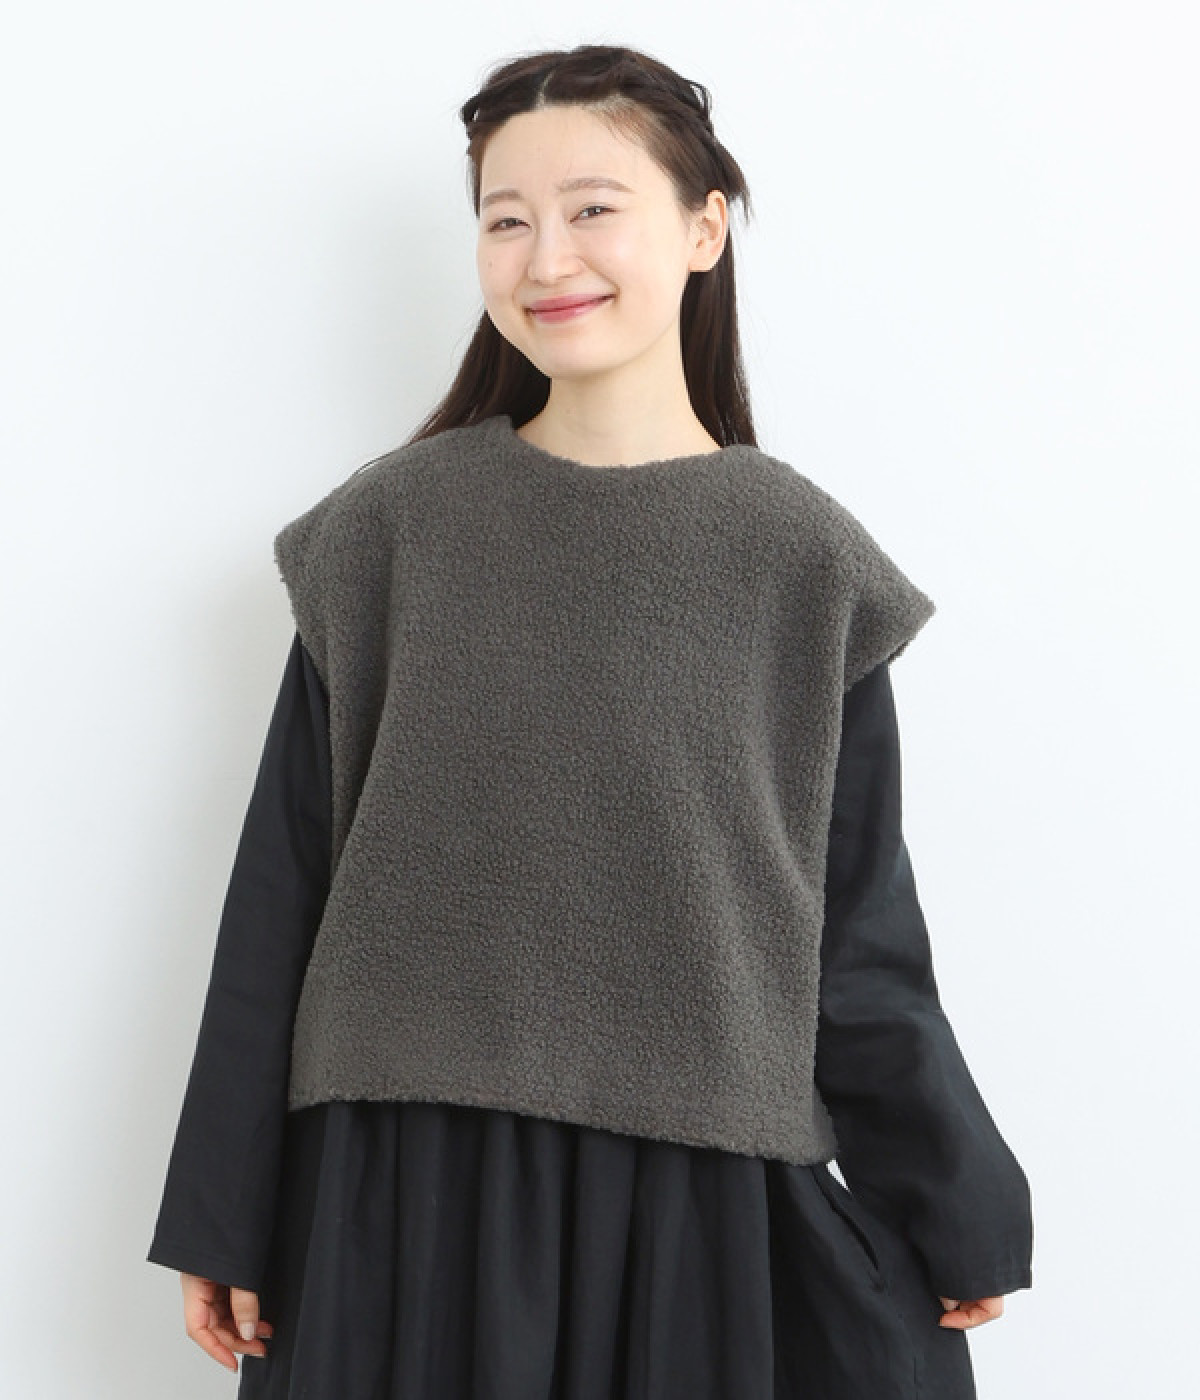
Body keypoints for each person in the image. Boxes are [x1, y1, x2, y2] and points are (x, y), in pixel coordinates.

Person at [148, 42, 1033, 1399]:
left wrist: (952, 1197)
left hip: (695, 1210)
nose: (545, 256)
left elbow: (857, 936)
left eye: (592, 208)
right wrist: (227, 1202)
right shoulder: (389, 534)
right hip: (403, 1202)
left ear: (704, 226)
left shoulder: (802, 563)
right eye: (505, 220)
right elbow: (283, 884)